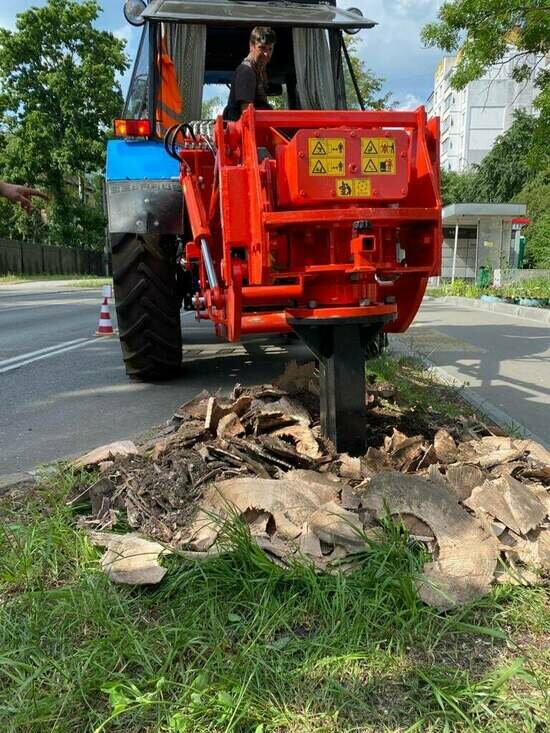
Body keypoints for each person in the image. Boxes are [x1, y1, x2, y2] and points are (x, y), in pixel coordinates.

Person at [223, 27, 276, 122]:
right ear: (251, 46)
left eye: (270, 49)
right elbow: (246, 115)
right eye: (262, 47)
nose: (266, 53)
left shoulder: (260, 70)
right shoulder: (246, 71)